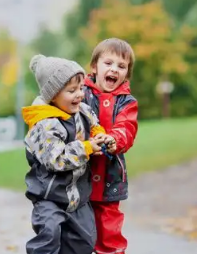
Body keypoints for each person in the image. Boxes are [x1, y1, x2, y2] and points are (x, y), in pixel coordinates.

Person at [22, 54, 108, 254]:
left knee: (85, 243)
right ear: (53, 95)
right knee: (48, 237)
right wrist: (87, 147)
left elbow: (94, 124)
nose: (79, 94)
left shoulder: (82, 111)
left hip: (78, 197)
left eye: (81, 88)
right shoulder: (44, 124)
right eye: (72, 91)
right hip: (49, 198)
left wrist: (100, 135)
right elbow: (57, 159)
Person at [82, 38, 139, 254]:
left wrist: (114, 139)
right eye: (108, 63)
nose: (114, 69)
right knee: (78, 233)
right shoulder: (80, 94)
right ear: (94, 67)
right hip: (80, 178)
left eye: (121, 66)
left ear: (126, 74)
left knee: (109, 234)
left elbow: (127, 128)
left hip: (110, 179)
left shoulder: (127, 102)